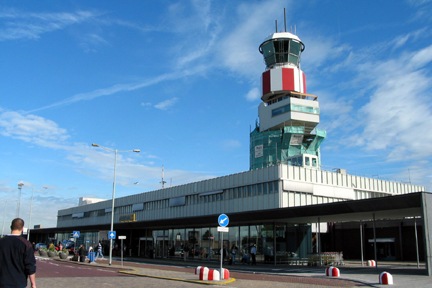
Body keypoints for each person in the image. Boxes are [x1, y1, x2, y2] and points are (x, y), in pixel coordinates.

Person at [0, 218, 37, 288]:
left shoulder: (1, 242)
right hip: (18, 283)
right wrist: (33, 284)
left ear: (11, 227)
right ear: (22, 228)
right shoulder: (26, 244)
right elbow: (30, 266)